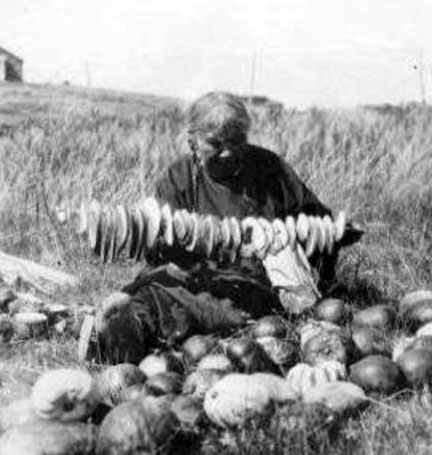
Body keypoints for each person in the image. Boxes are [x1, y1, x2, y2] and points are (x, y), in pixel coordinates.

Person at [86, 91, 358, 364]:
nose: (227, 152)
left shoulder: (269, 168)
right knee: (154, 293)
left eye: (237, 141)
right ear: (192, 139)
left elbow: (314, 221)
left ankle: (151, 336)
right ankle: (118, 339)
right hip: (198, 277)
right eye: (215, 143)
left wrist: (335, 232)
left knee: (225, 305)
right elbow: (160, 253)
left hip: (255, 281)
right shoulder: (178, 178)